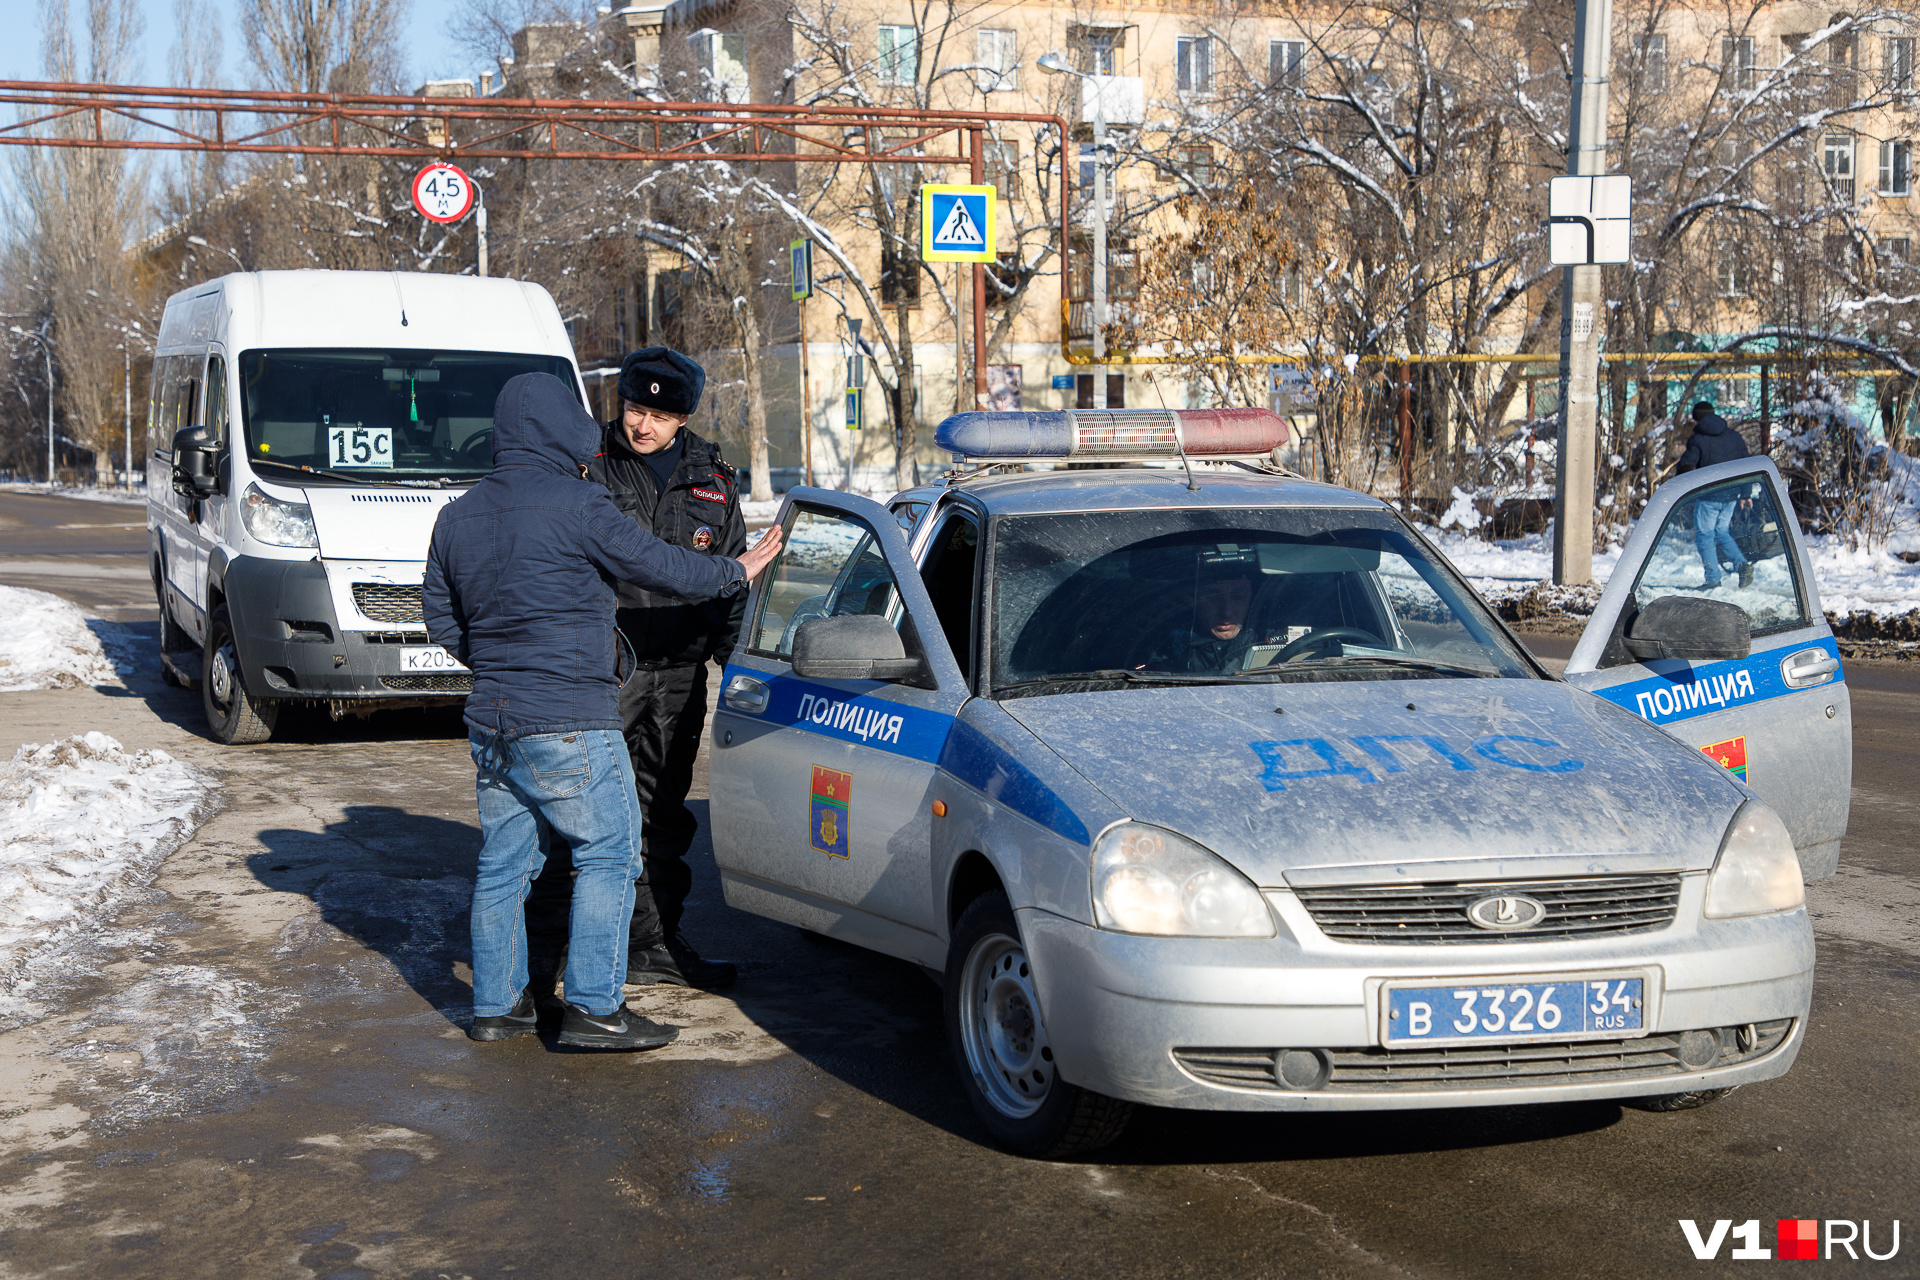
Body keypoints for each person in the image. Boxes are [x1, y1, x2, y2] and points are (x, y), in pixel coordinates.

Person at [423, 372, 781, 1049]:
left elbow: (438, 614)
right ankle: (593, 1007)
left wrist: (500, 662)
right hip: (571, 717)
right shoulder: (578, 503)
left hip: (493, 721)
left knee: (503, 864)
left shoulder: (457, 515)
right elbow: (664, 568)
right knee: (611, 853)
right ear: (559, 431)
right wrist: (737, 570)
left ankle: (498, 1008)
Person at [586, 346, 746, 990]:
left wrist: (737, 666)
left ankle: (651, 941)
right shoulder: (587, 467)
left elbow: (732, 578)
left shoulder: (715, 477)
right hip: (605, 670)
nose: (641, 424)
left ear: (682, 418)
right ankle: (584, 946)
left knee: (663, 810)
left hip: (680, 671)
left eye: (656, 413)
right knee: (593, 811)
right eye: (632, 407)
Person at [1676, 400, 1753, 589]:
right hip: (1731, 496)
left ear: (1697, 420)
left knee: (1705, 536)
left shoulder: (1698, 439)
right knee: (1721, 531)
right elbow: (1746, 465)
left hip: (1709, 497)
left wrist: (1681, 486)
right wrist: (1745, 494)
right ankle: (1742, 565)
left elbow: (1687, 465)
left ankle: (1712, 580)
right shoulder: (1734, 436)